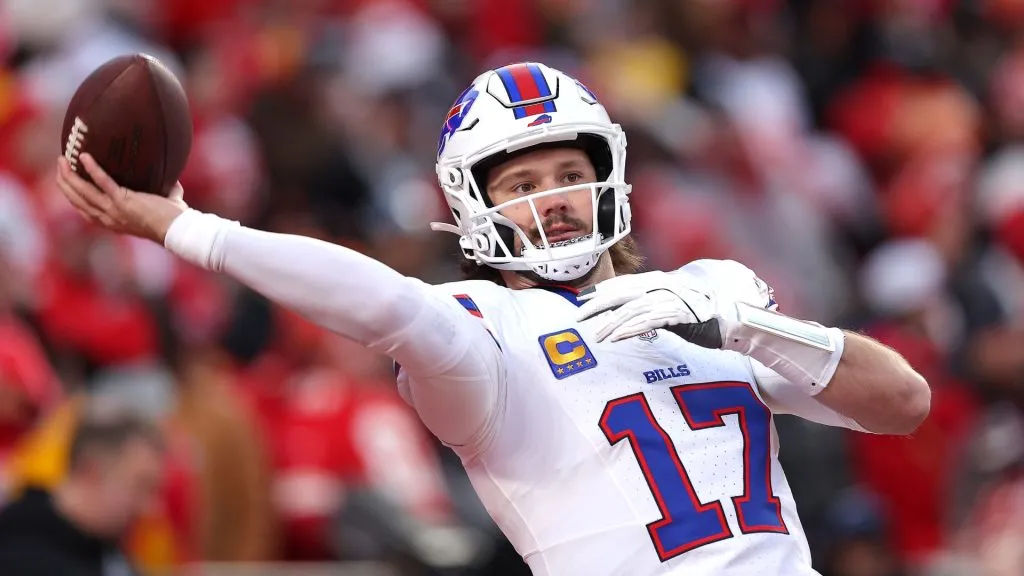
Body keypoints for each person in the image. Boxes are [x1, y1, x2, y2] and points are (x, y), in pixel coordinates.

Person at [55, 62, 930, 575]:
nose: (552, 200)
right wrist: (185, 226)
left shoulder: (706, 292)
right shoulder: (486, 331)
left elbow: (904, 404)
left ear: (610, 179)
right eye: (520, 185)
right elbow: (386, 303)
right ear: (475, 208)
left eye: (565, 173)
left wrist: (745, 323)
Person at [0, 402, 165, 576]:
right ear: (90, 472)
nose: (150, 508)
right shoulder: (19, 555)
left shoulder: (100, 545)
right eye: (141, 486)